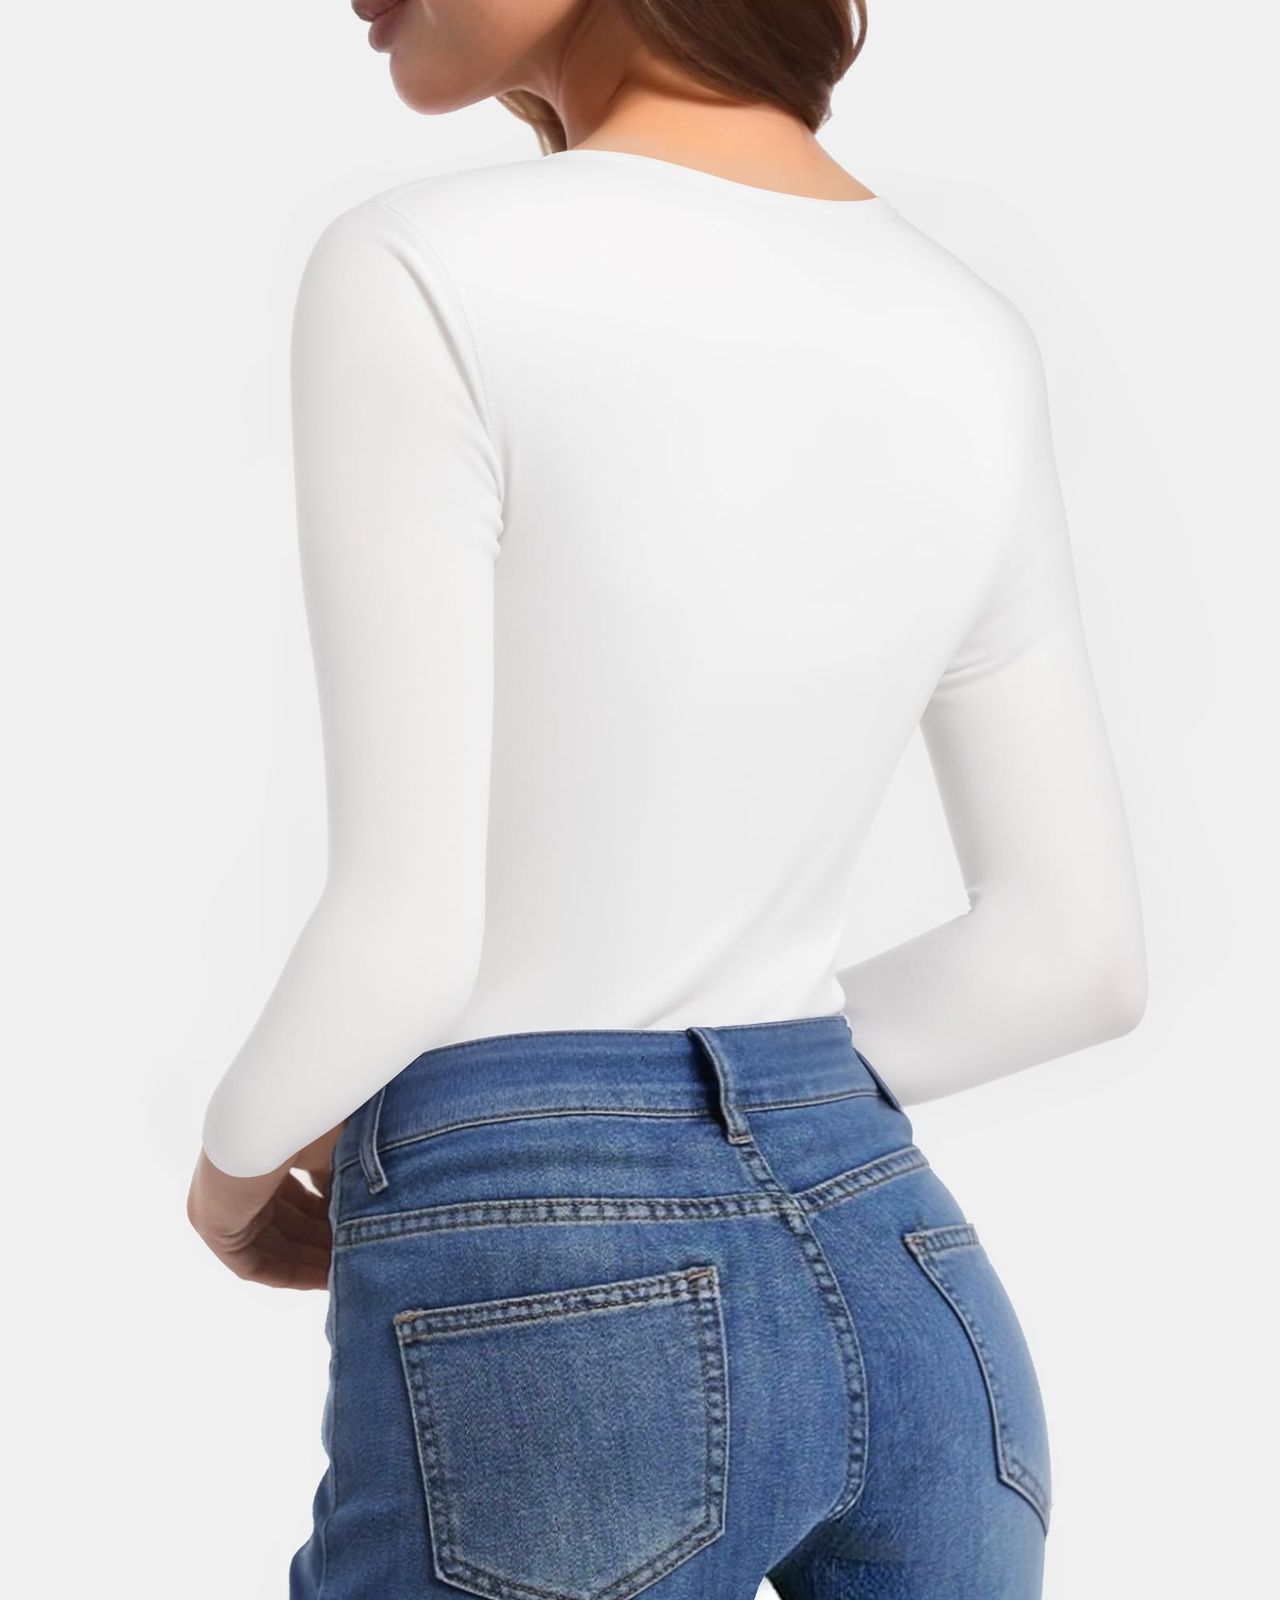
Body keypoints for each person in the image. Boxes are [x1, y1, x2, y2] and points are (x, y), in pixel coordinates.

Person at [186, 3, 1148, 1596]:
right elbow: (1074, 957)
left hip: (554, 1303)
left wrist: (234, 1175)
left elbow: (406, 936)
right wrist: (744, 1100)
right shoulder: (969, 328)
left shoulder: (423, 267)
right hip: (919, 1298)